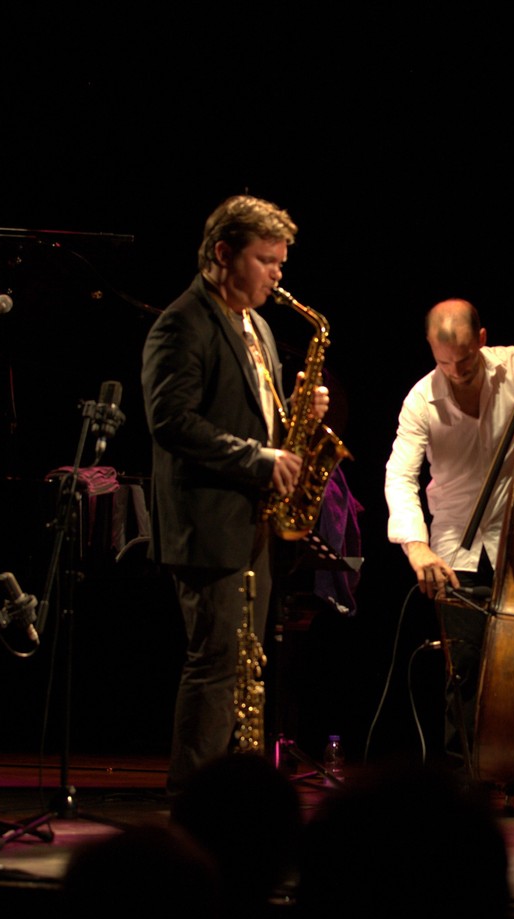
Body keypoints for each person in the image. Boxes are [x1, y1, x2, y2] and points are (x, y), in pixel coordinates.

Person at [141, 195, 326, 794]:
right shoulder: (182, 323)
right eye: (266, 260)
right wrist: (258, 457)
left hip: (252, 521)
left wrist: (297, 413)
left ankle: (231, 790)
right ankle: (192, 796)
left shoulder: (260, 326)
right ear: (224, 254)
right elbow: (171, 420)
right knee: (216, 664)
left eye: (281, 262)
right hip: (208, 522)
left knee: (247, 667)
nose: (278, 274)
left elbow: (254, 416)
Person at [382, 299, 514, 765]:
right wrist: (417, 547)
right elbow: (400, 476)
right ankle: (467, 778)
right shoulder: (420, 399)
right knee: (463, 667)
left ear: (482, 339)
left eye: (465, 359)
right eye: (443, 360)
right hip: (453, 547)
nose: (455, 371)